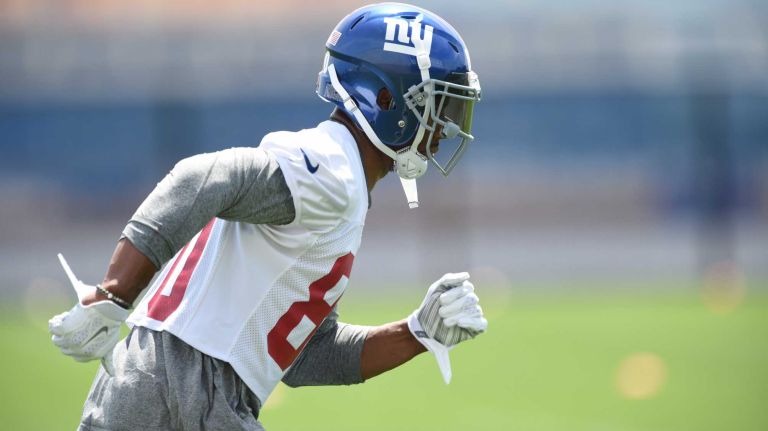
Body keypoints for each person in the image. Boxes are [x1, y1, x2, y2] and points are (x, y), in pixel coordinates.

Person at [48, 3, 487, 430]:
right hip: (188, 390)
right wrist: (115, 294)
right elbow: (203, 178)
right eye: (438, 106)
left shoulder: (342, 178)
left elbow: (301, 354)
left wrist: (416, 332)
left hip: (169, 382)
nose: (446, 127)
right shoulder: (332, 170)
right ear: (388, 99)